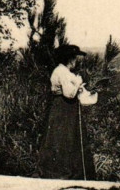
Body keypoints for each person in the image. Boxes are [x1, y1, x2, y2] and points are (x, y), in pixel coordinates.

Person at [36, 44, 96, 180]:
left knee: (64, 137)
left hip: (64, 108)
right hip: (64, 108)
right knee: (64, 138)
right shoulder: (63, 72)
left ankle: (63, 171)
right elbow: (69, 93)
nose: (75, 61)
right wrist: (78, 82)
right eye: (74, 58)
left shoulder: (61, 71)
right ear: (69, 59)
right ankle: (63, 173)